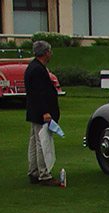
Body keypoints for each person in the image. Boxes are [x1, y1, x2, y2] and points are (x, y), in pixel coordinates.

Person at [24, 40, 64, 187]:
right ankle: (44, 174)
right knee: (43, 143)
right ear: (46, 53)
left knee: (34, 142)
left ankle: (34, 171)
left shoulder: (33, 67)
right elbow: (39, 93)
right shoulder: (38, 70)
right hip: (41, 112)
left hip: (34, 111)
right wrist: (46, 111)